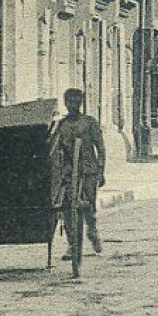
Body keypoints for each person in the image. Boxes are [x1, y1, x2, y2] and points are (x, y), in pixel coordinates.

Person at [50, 87, 106, 259]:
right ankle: (72, 245)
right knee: (67, 209)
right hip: (68, 172)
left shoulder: (89, 122)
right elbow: (55, 148)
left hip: (88, 170)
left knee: (89, 205)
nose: (73, 105)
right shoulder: (61, 125)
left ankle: (92, 231)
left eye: (76, 102)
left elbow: (100, 147)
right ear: (65, 103)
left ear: (81, 103)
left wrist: (101, 170)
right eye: (69, 102)